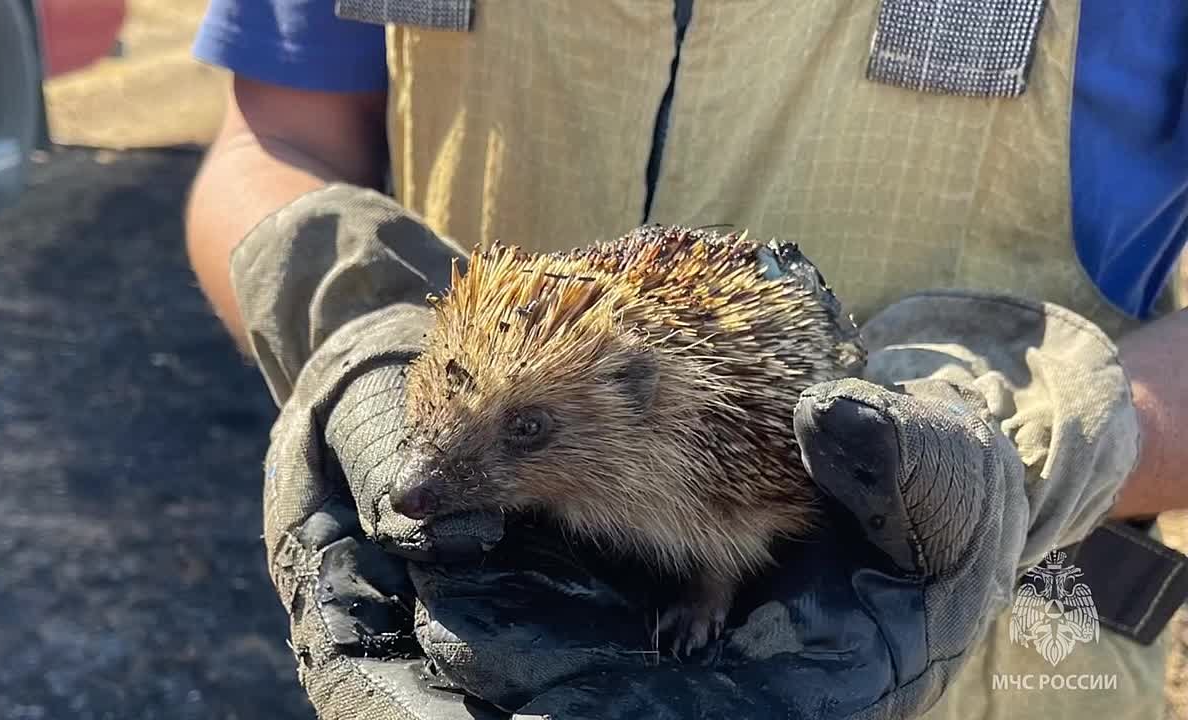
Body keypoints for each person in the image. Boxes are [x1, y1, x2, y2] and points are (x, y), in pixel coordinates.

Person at [183, 1, 1188, 718]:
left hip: (998, 680)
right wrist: (351, 334)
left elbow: (730, 519)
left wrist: (1038, 453)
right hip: (468, 669)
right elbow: (276, 131)